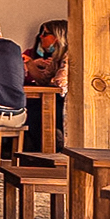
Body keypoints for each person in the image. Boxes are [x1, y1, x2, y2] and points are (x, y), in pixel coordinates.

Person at [22, 19, 68, 151]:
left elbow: (60, 81)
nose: (40, 37)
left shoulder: (68, 55)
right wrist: (30, 63)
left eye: (45, 34)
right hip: (54, 99)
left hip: (64, 102)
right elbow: (43, 80)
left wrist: (52, 79)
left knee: (35, 111)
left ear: (57, 38)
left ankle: (46, 149)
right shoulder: (57, 56)